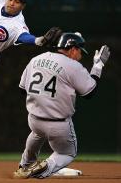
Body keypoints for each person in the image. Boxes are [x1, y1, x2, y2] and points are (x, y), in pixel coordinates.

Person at [13, 32, 110, 178]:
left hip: (34, 120)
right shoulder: (73, 66)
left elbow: (22, 89)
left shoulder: (36, 59)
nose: (80, 56)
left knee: (38, 134)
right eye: (80, 51)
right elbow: (89, 93)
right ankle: (43, 169)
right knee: (67, 153)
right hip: (58, 125)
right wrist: (98, 66)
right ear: (72, 49)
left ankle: (25, 165)